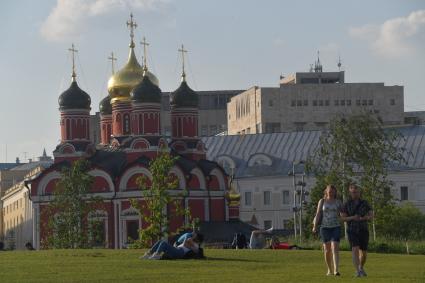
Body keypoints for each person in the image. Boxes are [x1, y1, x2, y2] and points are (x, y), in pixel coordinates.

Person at [341, 184, 373, 277]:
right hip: (352, 230)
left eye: (356, 191)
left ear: (359, 192)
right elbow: (343, 218)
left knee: (364, 252)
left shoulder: (365, 203)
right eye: (353, 192)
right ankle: (358, 271)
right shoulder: (346, 203)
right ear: (350, 192)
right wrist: (352, 217)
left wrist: (364, 218)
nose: (354, 193)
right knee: (355, 249)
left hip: (363, 229)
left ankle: (361, 267)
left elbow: (371, 216)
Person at [312, 185, 342, 276]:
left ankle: (336, 270)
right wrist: (315, 226)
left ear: (335, 192)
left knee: (335, 247)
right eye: (329, 191)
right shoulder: (322, 201)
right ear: (326, 191)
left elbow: (342, 214)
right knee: (327, 250)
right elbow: (318, 213)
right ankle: (329, 270)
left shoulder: (338, 202)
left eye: (333, 191)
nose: (331, 192)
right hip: (325, 227)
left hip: (336, 226)